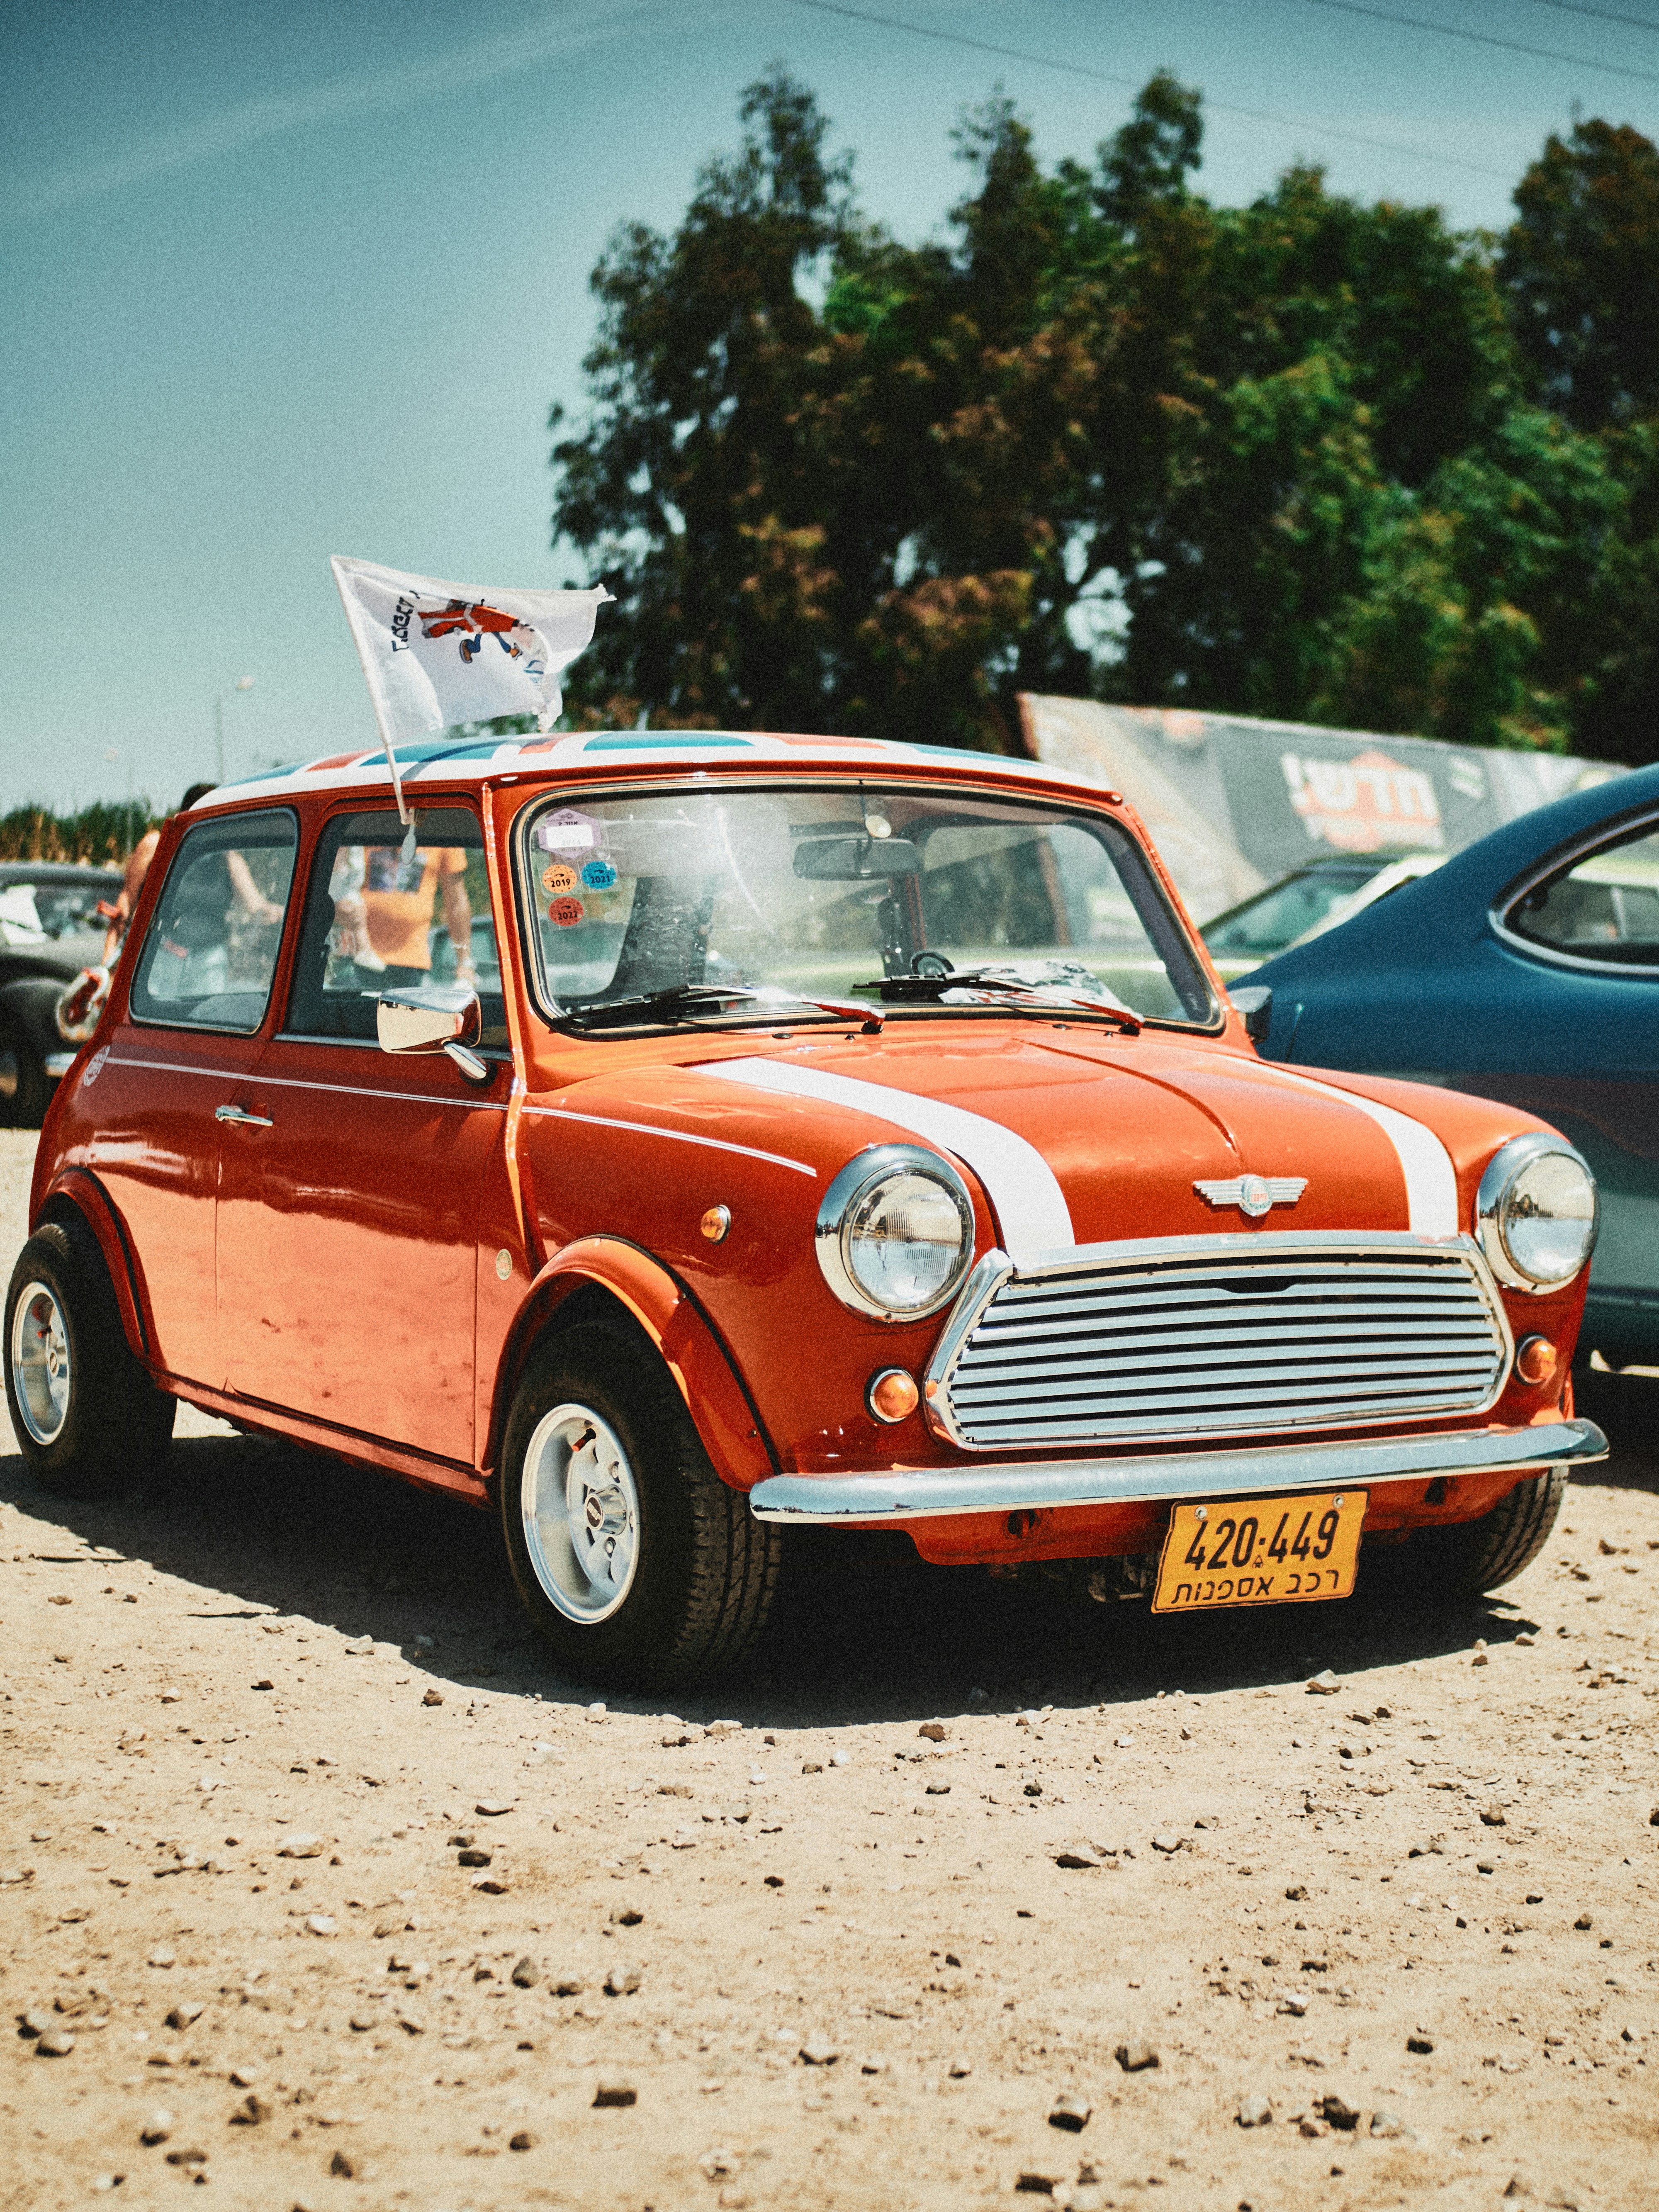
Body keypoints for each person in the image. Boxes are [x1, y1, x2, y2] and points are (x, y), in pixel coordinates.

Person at [343, 839, 475, 992]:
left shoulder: (442, 827)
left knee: (405, 1014)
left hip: (412, 961)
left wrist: (465, 963)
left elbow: (456, 903)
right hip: (358, 955)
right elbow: (338, 882)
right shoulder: (369, 821)